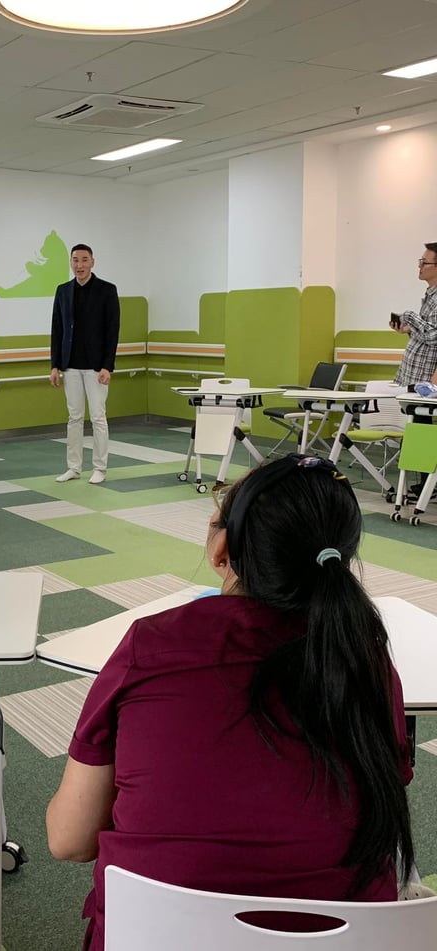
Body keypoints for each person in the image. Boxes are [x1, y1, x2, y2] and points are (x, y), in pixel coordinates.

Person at [47, 454, 413, 951]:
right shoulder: (366, 661)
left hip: (151, 936)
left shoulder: (151, 646)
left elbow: (69, 840)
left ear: (222, 549)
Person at [50, 244, 120, 485]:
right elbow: (56, 330)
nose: (79, 265)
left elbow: (113, 331)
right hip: (70, 365)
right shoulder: (63, 291)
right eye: (75, 260)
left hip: (96, 366)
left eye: (84, 260)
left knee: (98, 417)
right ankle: (73, 467)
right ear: (70, 262)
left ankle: (100, 468)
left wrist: (107, 366)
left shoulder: (107, 290)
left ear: (92, 262)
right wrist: (55, 365)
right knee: (74, 417)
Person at [390, 243, 437, 498]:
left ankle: (428, 483)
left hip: (427, 377)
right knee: (418, 425)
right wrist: (407, 328)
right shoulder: (430, 295)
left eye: (425, 262)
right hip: (415, 372)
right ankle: (424, 481)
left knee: (422, 426)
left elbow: (434, 335)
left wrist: (411, 316)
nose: (419, 266)